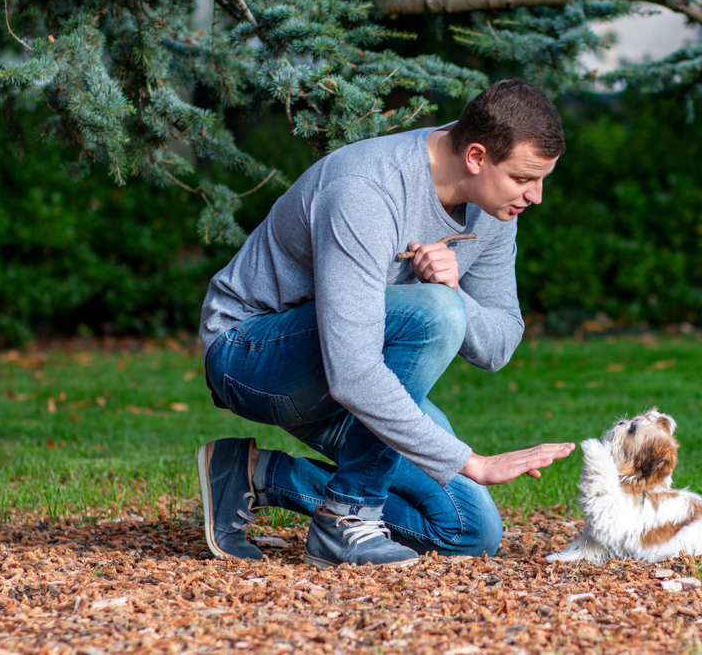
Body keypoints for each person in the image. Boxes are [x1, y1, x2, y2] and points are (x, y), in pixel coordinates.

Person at [196, 79, 575, 568]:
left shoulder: (495, 210)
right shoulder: (366, 190)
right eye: (525, 178)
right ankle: (346, 517)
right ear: (477, 157)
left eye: (542, 179)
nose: (536, 196)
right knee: (434, 314)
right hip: (251, 355)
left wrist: (455, 289)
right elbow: (352, 372)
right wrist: (472, 462)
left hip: (352, 376)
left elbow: (499, 344)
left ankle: (253, 474)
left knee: (468, 531)